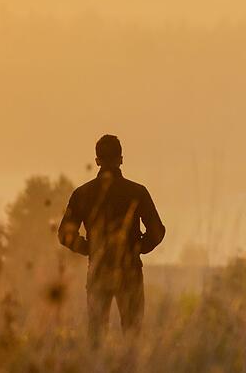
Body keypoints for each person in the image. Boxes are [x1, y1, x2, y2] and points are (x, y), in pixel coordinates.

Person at [57, 134, 165, 347]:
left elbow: (64, 234)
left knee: (96, 336)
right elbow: (157, 231)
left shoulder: (82, 194)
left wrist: (90, 249)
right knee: (132, 334)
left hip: (98, 270)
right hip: (130, 270)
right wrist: (137, 249)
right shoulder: (137, 192)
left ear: (97, 160)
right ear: (121, 159)